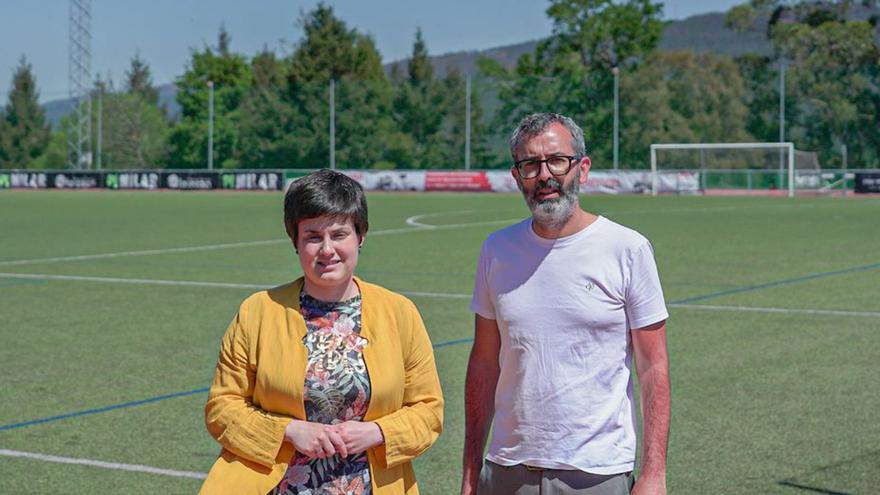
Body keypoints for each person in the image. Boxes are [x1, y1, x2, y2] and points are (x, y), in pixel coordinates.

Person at [461, 113, 670, 495]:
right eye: (530, 164)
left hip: (596, 473)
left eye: (557, 160)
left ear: (582, 168)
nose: (544, 176)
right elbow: (484, 364)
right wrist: (472, 474)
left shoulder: (628, 249)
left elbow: (653, 366)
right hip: (507, 469)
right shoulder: (496, 250)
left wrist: (654, 473)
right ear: (516, 176)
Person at [200, 169, 444, 495]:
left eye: (339, 234)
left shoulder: (399, 313)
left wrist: (377, 431)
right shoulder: (257, 312)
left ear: (361, 236)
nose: (327, 249)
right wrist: (288, 431)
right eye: (313, 237)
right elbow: (222, 408)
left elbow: (428, 411)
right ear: (295, 242)